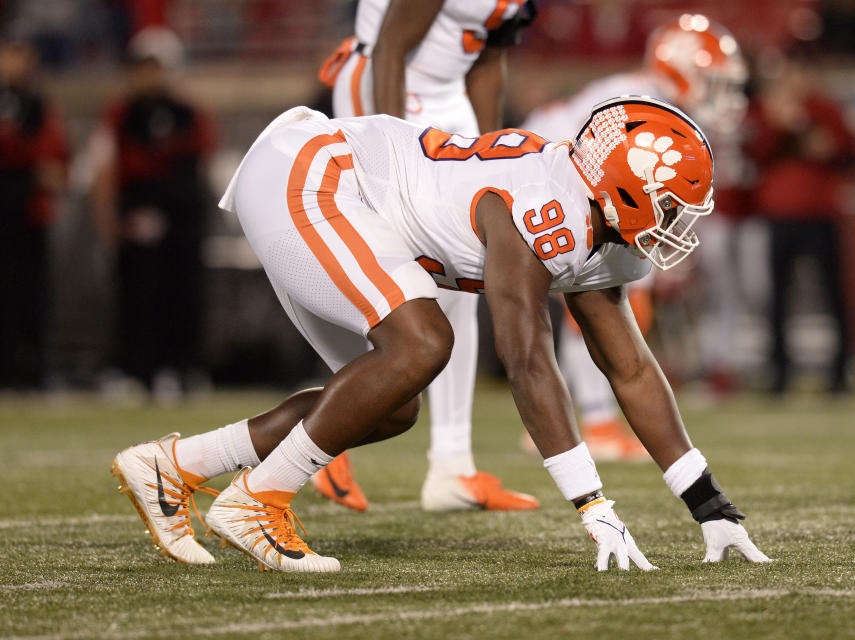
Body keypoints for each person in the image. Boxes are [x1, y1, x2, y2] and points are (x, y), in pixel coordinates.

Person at [111, 96, 770, 573]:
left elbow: (629, 368)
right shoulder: (547, 206)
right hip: (313, 177)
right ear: (623, 187)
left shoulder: (600, 223)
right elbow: (527, 360)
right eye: (672, 204)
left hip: (342, 196)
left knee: (388, 403)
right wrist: (593, 505)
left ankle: (172, 467)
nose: (680, 222)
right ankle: (257, 501)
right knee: (424, 344)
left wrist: (709, 504)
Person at [313, 0, 538, 512]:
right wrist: (392, 154)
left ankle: (452, 467)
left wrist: (490, 154)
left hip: (446, 95)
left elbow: (485, 55)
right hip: (382, 85)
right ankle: (328, 425)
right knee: (384, 265)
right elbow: (391, 47)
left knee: (469, 269)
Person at [520, 14, 748, 459]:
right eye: (713, 81)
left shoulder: (654, 100)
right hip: (548, 187)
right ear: (680, 70)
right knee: (605, 300)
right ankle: (595, 423)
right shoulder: (641, 101)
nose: (723, 95)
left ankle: (561, 424)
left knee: (610, 303)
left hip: (563, 187)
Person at [89, 28, 217, 402]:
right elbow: (106, 167)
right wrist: (109, 219)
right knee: (138, 296)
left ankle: (182, 369)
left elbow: (203, 167)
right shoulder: (121, 113)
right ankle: (138, 370)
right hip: (136, 214)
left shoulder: (191, 113)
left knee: (183, 294)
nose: (150, 76)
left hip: (182, 218)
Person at [744, 56, 855, 394]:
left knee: (834, 293)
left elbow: (844, 151)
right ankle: (779, 372)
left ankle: (840, 373)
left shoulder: (825, 108)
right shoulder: (769, 109)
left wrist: (803, 123)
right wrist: (786, 126)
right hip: (780, 213)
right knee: (778, 296)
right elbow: (755, 153)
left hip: (820, 211)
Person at [0, 40, 69, 390]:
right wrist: (27, 165)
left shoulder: (39, 105)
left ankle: (32, 371)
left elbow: (54, 159)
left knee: (31, 296)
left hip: (28, 215)